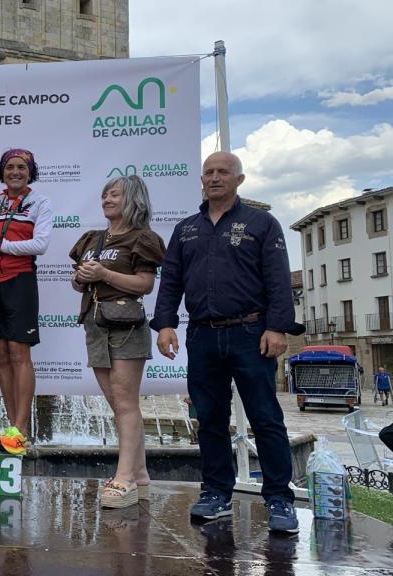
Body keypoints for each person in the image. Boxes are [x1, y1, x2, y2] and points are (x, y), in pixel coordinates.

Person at [151, 151, 304, 533]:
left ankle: (280, 499)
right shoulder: (186, 229)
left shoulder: (262, 223)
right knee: (209, 419)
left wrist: (278, 327)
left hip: (251, 334)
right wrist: (165, 325)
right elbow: (170, 281)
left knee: (265, 418)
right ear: (201, 180)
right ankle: (216, 492)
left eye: (223, 172)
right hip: (202, 335)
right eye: (209, 172)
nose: (215, 177)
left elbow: (277, 279)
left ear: (239, 179)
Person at [69, 175, 165, 508]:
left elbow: (144, 284)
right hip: (95, 324)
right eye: (105, 194)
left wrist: (105, 275)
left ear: (133, 200)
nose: (107, 199)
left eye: (115, 194)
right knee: (116, 402)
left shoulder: (143, 239)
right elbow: (79, 282)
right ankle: (139, 474)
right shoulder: (93, 239)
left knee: (125, 401)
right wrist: (81, 278)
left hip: (125, 324)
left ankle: (123, 479)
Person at [0, 149, 52, 457]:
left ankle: (20, 432)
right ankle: (12, 428)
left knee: (20, 354)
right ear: (2, 172)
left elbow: (41, 244)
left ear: (30, 172)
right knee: (3, 356)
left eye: (22, 167)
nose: (15, 172)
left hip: (20, 282)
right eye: (10, 167)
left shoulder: (40, 202)